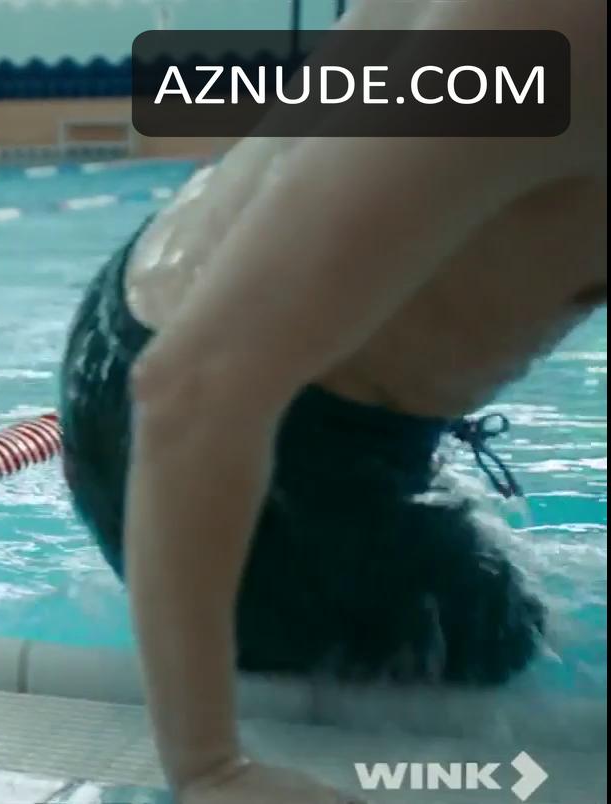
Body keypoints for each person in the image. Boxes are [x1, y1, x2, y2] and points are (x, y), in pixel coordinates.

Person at [55, 2, 603, 803]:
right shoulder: (557, 37)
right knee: (503, 682)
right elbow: (190, 386)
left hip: (185, 325)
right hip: (238, 429)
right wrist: (210, 770)